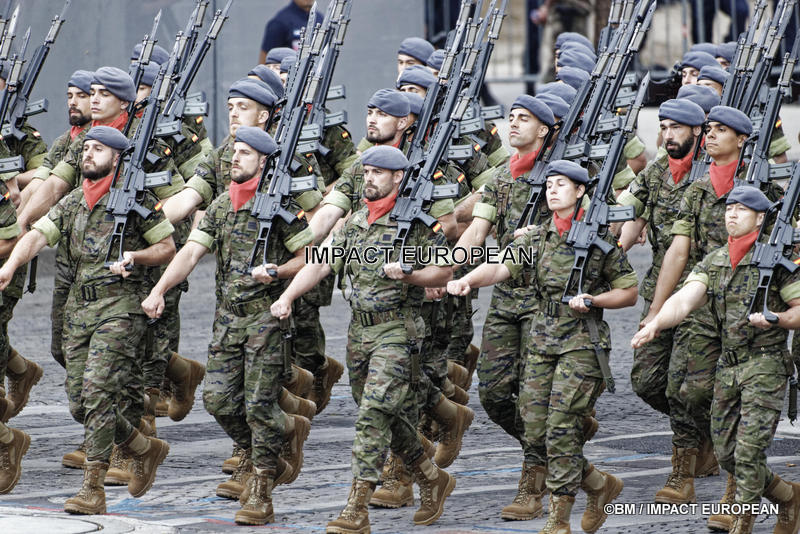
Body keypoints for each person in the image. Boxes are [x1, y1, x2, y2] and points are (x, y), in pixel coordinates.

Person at [271, 145, 457, 533]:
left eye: (377, 173)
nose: (368, 178)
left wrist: (411, 276)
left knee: (372, 414)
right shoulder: (355, 222)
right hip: (360, 332)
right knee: (384, 412)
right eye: (366, 172)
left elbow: (444, 270)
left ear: (398, 178)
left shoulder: (417, 224)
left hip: (397, 331)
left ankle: (357, 506)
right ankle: (429, 475)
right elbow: (320, 261)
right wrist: (288, 296)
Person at [449, 159, 638, 533]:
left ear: (581, 191)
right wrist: (468, 279)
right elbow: (501, 267)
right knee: (535, 431)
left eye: (562, 185)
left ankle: (558, 519)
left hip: (582, 343)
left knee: (561, 426)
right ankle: (598, 485)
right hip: (542, 340)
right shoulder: (534, 238)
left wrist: (596, 300)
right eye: (549, 184)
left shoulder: (597, 240)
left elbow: (629, 292)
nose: (552, 190)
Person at [0, 126, 175, 514]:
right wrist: (11, 264)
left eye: (98, 150)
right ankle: (143, 448)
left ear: (116, 158)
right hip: (80, 313)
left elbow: (167, 246)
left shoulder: (137, 201)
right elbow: (38, 235)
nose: (88, 154)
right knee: (81, 404)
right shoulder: (75, 200)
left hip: (120, 310)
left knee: (96, 394)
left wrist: (136, 256)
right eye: (86, 149)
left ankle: (92, 488)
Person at [143, 126, 312, 526]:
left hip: (266, 321)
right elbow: (191, 252)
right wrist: (160, 288)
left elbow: (312, 256)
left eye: (246, 154)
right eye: (235, 152)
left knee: (258, 405)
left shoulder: (283, 207)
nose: (235, 158)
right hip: (227, 321)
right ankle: (284, 430)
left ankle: (261, 487)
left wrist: (279, 274)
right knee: (217, 400)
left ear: (264, 162)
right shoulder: (221, 206)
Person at [454, 95, 598, 520]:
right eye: (511, 117)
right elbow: (475, 231)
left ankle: (534, 483)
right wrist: (451, 273)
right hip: (505, 296)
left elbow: (592, 235)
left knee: (535, 404)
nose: (513, 124)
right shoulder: (499, 179)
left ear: (546, 130)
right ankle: (580, 470)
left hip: (546, 302)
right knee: (496, 394)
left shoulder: (565, 178)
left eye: (525, 119)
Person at [645, 106, 785, 528]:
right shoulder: (699, 188)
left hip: (753, 310)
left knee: (737, 400)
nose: (709, 137)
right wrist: (656, 309)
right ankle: (690, 460)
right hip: (705, 299)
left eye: (720, 131)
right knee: (678, 389)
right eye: (707, 130)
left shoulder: (767, 189)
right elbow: (679, 249)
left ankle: (733, 490)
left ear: (742, 139)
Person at [632, 185, 800, 534]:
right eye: (729, 208)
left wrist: (777, 319)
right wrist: (657, 323)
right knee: (726, 454)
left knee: (749, 451)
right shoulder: (716, 259)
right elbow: (686, 298)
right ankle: (788, 497)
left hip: (765, 365)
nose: (731, 214)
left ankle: (741, 523)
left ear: (760, 217)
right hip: (728, 368)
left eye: (741, 209)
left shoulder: (779, 261)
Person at [615, 99, 706, 451]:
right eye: (664, 127)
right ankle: (705, 429)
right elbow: (629, 214)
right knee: (646, 381)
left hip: (700, 293)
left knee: (683, 385)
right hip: (660, 286)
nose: (668, 135)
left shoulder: (711, 174)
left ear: (697, 130)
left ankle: (686, 462)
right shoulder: (656, 172)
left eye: (676, 128)